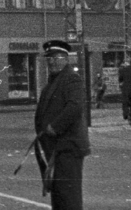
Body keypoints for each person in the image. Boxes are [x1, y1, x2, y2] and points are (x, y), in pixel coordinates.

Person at [33, 39, 89, 210]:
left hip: (68, 148)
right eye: (49, 58)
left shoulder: (71, 79)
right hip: (55, 150)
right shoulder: (51, 83)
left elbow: (75, 107)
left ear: (66, 58)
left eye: (56, 57)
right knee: (58, 197)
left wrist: (54, 127)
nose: (52, 61)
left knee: (68, 198)